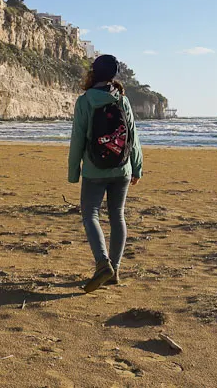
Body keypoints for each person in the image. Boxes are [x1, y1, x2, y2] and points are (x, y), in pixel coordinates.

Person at [68, 54, 143, 292]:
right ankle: (115, 270)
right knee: (117, 216)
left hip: (94, 168)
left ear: (93, 73)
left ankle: (102, 264)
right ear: (113, 75)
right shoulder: (123, 99)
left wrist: (73, 172)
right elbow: (132, 136)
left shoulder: (85, 101)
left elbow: (78, 138)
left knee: (90, 214)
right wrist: (137, 166)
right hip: (122, 168)